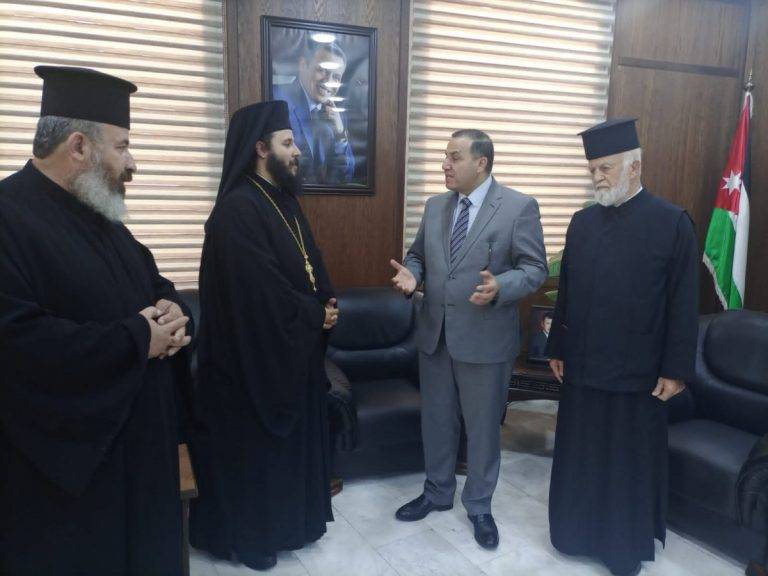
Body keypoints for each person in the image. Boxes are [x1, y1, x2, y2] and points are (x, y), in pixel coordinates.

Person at [0, 66, 193, 576]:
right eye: (122, 146)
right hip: (70, 482)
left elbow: (153, 282)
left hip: (141, 459)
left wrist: (173, 309)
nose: (132, 163)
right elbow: (16, 342)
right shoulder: (8, 216)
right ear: (79, 146)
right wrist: (138, 339)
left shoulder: (99, 214)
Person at [545, 118, 699, 576]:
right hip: (583, 367)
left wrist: (676, 370)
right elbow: (567, 292)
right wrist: (557, 346)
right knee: (581, 456)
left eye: (606, 168)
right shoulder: (582, 223)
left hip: (638, 375)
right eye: (592, 169)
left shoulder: (672, 223)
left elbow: (684, 303)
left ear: (635, 167)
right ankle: (574, 535)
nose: (597, 177)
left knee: (624, 464)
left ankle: (620, 549)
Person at [189, 100, 338, 571]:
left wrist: (327, 303)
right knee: (254, 456)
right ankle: (251, 540)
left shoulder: (285, 202)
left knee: (287, 453)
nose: (298, 152)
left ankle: (289, 526)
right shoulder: (237, 210)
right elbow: (258, 294)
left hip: (290, 353)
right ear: (259, 148)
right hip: (249, 365)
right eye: (288, 143)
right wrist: (313, 314)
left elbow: (311, 264)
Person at [390, 129, 548, 549]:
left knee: (482, 429)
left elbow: (535, 268)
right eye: (445, 156)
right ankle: (437, 492)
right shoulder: (435, 206)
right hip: (436, 335)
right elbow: (417, 255)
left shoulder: (518, 207)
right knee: (437, 422)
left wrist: (502, 287)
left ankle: (479, 506)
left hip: (486, 339)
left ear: (482, 162)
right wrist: (413, 275)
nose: (445, 164)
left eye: (454, 157)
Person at [273, 39, 355, 184]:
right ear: (303, 65)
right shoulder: (278, 99)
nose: (328, 81)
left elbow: (345, 177)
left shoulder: (338, 116)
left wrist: (340, 135)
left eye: (336, 77)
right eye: (322, 70)